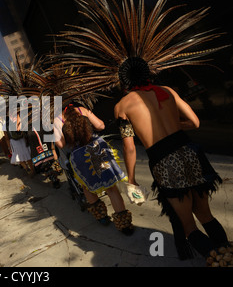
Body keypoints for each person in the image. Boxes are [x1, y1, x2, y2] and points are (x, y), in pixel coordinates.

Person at [114, 57, 229, 260]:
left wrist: (131, 180)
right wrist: (173, 123)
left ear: (123, 80)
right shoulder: (167, 91)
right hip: (190, 152)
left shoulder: (122, 106)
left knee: (189, 226)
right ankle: (227, 255)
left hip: (165, 162)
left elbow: (129, 147)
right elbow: (194, 122)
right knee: (206, 215)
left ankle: (220, 262)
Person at [57, 104, 134, 235]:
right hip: (98, 150)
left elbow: (61, 144)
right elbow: (101, 126)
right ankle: (124, 224)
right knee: (111, 187)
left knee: (86, 186)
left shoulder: (58, 119)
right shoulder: (83, 110)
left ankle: (102, 217)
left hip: (80, 157)